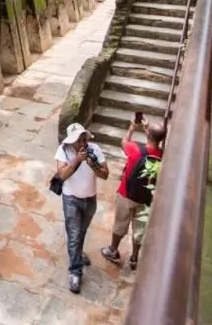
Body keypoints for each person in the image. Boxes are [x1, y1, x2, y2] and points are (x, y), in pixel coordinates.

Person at [101, 119, 166, 271]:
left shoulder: (135, 149)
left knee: (120, 223)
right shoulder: (163, 155)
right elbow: (155, 143)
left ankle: (113, 250)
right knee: (139, 228)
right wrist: (148, 131)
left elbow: (123, 142)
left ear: (147, 134)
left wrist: (132, 128)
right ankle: (135, 258)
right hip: (146, 197)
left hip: (127, 194)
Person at [55, 123, 109, 293]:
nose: (82, 142)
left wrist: (92, 164)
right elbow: (61, 175)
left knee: (82, 231)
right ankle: (75, 272)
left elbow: (105, 175)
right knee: (74, 234)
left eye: (83, 138)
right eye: (78, 139)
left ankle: (77, 253)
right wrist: (76, 160)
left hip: (90, 199)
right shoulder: (63, 151)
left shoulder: (95, 149)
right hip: (71, 198)